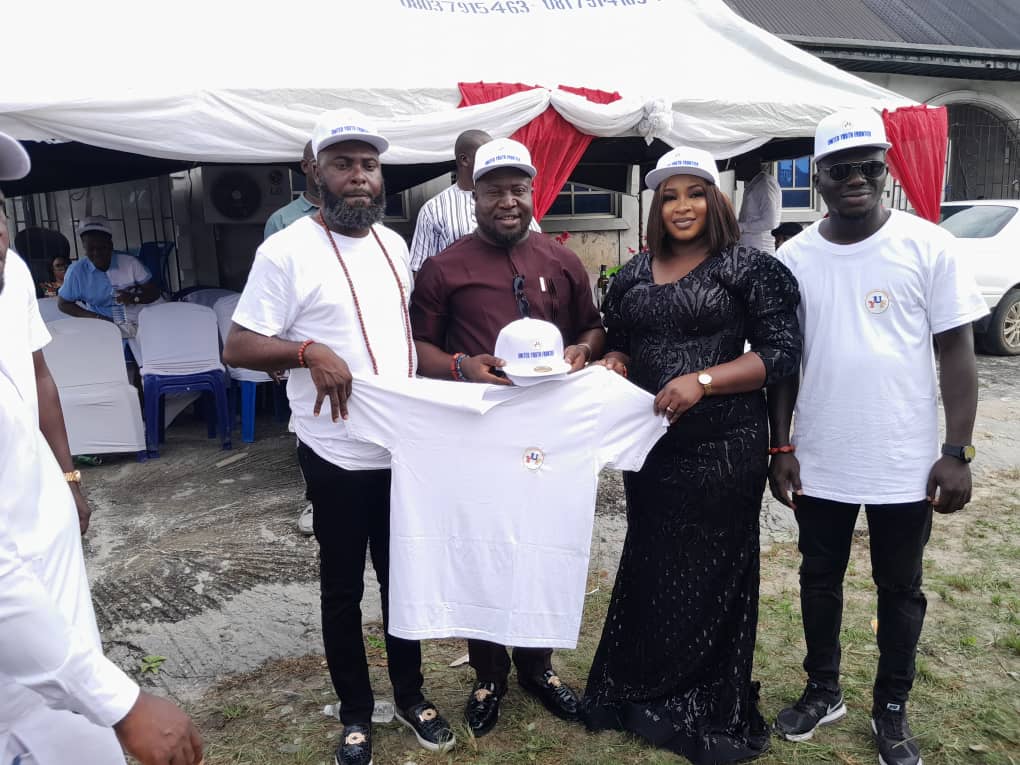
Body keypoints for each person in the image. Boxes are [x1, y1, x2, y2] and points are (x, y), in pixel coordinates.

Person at [222, 108, 455, 765]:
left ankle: (411, 695)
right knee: (343, 587)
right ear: (314, 172)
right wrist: (307, 351)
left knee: (405, 578)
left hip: (401, 448)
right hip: (335, 450)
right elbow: (238, 345)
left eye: (369, 165)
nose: (359, 176)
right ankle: (356, 710)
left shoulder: (393, 245)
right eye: (343, 164)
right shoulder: (285, 250)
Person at [767, 109, 988, 765]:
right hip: (823, 456)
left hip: (904, 460)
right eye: (841, 169)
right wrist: (781, 446)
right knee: (818, 578)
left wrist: (957, 451)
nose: (856, 179)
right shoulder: (794, 257)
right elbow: (784, 362)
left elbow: (957, 351)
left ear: (886, 169)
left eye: (868, 165)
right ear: (818, 176)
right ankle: (823, 689)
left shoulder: (929, 246)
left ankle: (891, 706)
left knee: (900, 587)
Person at [580, 146, 802, 764]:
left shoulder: (747, 268)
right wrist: (614, 359)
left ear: (717, 200)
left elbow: (781, 354)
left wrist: (703, 380)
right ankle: (642, 688)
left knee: (712, 570)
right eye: (669, 196)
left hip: (724, 446)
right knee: (653, 562)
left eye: (695, 193)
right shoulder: (633, 272)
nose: (681, 206)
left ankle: (702, 695)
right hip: (652, 446)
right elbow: (621, 339)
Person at [0, 131, 204, 765]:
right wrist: (119, 702)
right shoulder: (72, 276)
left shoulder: (9, 272)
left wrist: (68, 480)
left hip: (49, 597)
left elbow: (37, 376)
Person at [410, 137, 606, 737]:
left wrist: (582, 351)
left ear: (532, 192)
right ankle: (488, 674)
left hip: (549, 435)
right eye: (494, 190)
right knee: (487, 548)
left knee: (544, 543)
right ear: (473, 194)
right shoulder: (445, 268)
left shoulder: (561, 260)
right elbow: (417, 348)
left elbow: (594, 328)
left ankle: (538, 668)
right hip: (479, 433)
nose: (507, 201)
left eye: (518, 189)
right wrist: (461, 365)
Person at [263, 139, 321, 537]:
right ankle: (316, 498)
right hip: (302, 343)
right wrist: (272, 346)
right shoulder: (282, 221)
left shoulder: (362, 219)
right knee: (307, 421)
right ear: (306, 166)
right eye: (320, 161)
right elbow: (270, 291)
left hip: (350, 340)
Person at [409, 130, 539, 273]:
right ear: (464, 159)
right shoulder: (433, 209)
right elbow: (420, 269)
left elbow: (536, 247)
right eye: (485, 152)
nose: (507, 203)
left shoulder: (516, 206)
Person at [57, 216, 161, 331]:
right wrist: (97, 318)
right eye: (91, 248)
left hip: (138, 322)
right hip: (101, 327)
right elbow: (63, 304)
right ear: (84, 247)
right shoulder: (76, 272)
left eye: (102, 248)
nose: (96, 253)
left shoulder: (130, 263)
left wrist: (134, 298)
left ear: (111, 245)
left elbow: (154, 292)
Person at [263, 140, 321, 240]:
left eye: (339, 165)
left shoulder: (347, 213)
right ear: (305, 166)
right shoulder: (280, 220)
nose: (328, 170)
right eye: (319, 163)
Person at [735, 153, 782, 255]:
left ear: (750, 164)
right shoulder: (755, 183)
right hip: (750, 250)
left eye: (738, 164)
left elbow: (770, 222)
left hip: (760, 251)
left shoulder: (765, 184)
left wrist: (741, 227)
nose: (735, 169)